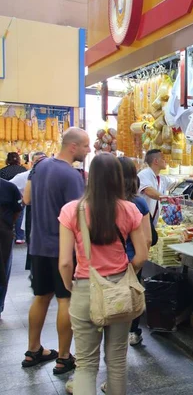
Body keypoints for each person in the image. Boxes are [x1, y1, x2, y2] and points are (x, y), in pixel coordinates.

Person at [58, 153, 148, 394]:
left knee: (86, 364)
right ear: (118, 179)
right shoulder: (130, 209)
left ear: (91, 178)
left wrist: (71, 285)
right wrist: (129, 272)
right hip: (119, 289)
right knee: (117, 361)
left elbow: (65, 262)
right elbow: (141, 254)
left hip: (85, 288)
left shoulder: (71, 210)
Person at [22, 128, 90, 375]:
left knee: (40, 296)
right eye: (86, 146)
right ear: (73, 146)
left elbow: (27, 199)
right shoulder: (72, 176)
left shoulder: (39, 166)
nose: (88, 150)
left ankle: (33, 350)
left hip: (37, 245)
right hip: (61, 248)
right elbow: (79, 217)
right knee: (65, 299)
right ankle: (63, 357)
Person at [118, 157, 152, 346]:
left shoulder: (101, 202)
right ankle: (132, 332)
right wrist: (138, 263)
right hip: (132, 260)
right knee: (133, 298)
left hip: (109, 263)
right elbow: (147, 238)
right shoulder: (138, 203)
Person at [11, 152, 46, 271]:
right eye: (37, 162)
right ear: (32, 163)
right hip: (33, 212)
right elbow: (9, 187)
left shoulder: (53, 175)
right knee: (33, 242)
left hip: (48, 214)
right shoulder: (24, 176)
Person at [0, 178, 22, 318]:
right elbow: (16, 212)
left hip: (4, 235)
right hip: (4, 233)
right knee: (3, 270)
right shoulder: (9, 187)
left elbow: (17, 211)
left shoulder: (9, 187)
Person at [1, 153, 27, 244]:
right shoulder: (23, 169)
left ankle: (8, 229)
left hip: (6, 196)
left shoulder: (3, 171)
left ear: (7, 160)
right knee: (19, 214)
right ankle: (20, 236)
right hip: (20, 195)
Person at [138, 149, 168, 225]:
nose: (166, 161)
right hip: (141, 220)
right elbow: (149, 191)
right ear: (156, 161)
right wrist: (168, 199)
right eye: (163, 158)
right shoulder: (144, 174)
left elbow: (176, 182)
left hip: (151, 220)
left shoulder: (160, 178)